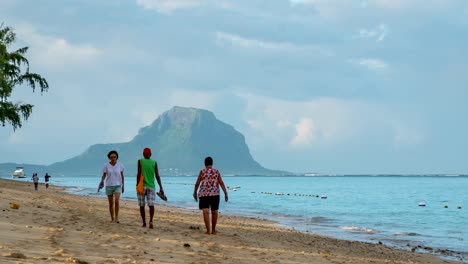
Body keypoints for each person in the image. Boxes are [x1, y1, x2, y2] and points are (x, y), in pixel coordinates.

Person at [193, 156, 228, 235]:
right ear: (212, 163)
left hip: (204, 194)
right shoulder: (216, 171)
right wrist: (225, 193)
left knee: (205, 211)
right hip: (215, 194)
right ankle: (213, 230)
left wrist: (195, 192)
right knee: (214, 211)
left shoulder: (202, 172)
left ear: (205, 163)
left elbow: (197, 183)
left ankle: (208, 230)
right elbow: (221, 182)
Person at [137, 147, 165, 229]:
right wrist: (161, 187)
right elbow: (157, 176)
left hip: (142, 186)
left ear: (143, 154)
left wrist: (137, 184)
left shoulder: (140, 161)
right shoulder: (154, 162)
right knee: (151, 205)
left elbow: (139, 174)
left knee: (142, 205)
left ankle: (144, 223)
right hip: (151, 186)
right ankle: (151, 221)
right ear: (151, 154)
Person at [100, 150, 125, 223]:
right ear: (109, 158)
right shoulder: (106, 165)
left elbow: (122, 175)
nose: (113, 158)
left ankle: (117, 218)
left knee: (116, 200)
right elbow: (104, 175)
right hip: (109, 186)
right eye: (111, 157)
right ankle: (112, 218)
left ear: (117, 157)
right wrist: (102, 181)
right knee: (111, 203)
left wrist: (123, 185)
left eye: (114, 157)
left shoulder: (120, 165)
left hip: (118, 185)